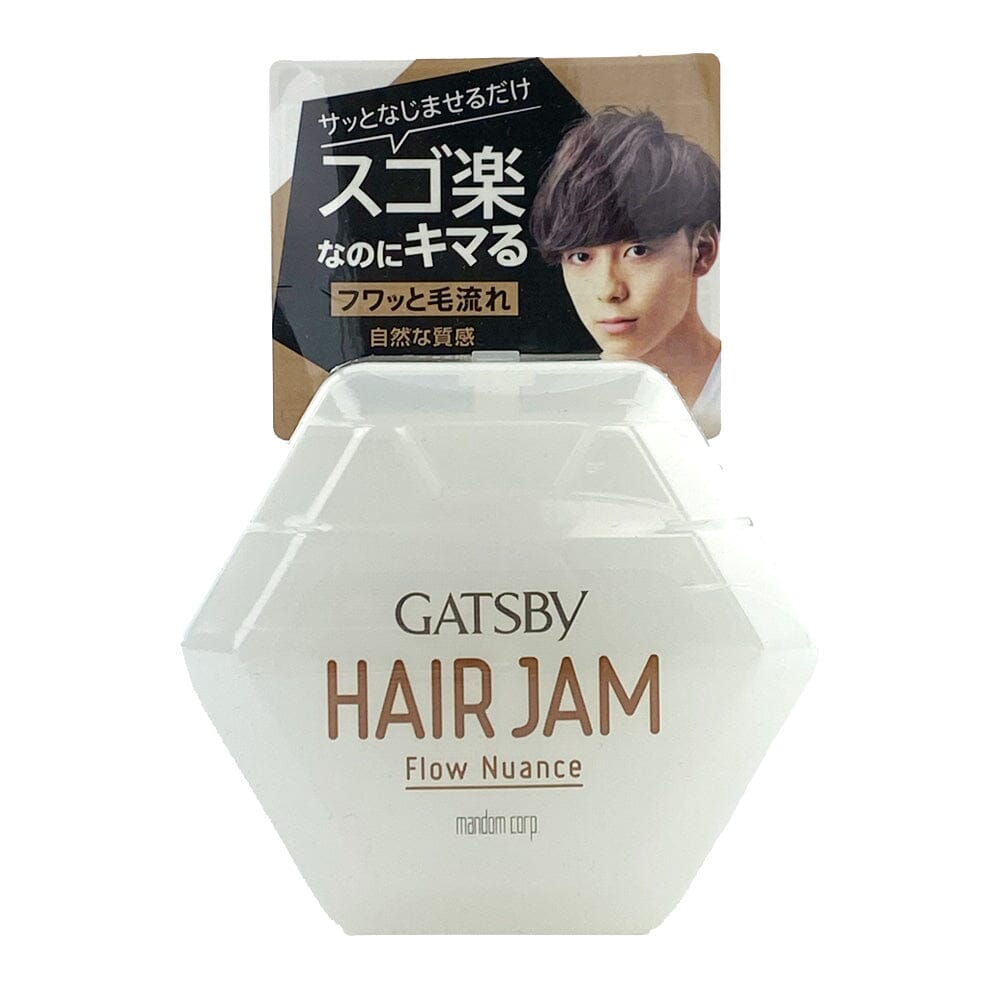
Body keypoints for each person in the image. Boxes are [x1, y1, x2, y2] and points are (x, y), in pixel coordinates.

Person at [530, 109, 722, 437]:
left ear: (702, 251)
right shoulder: (561, 412)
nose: (608, 290)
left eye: (638, 251)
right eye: (580, 257)